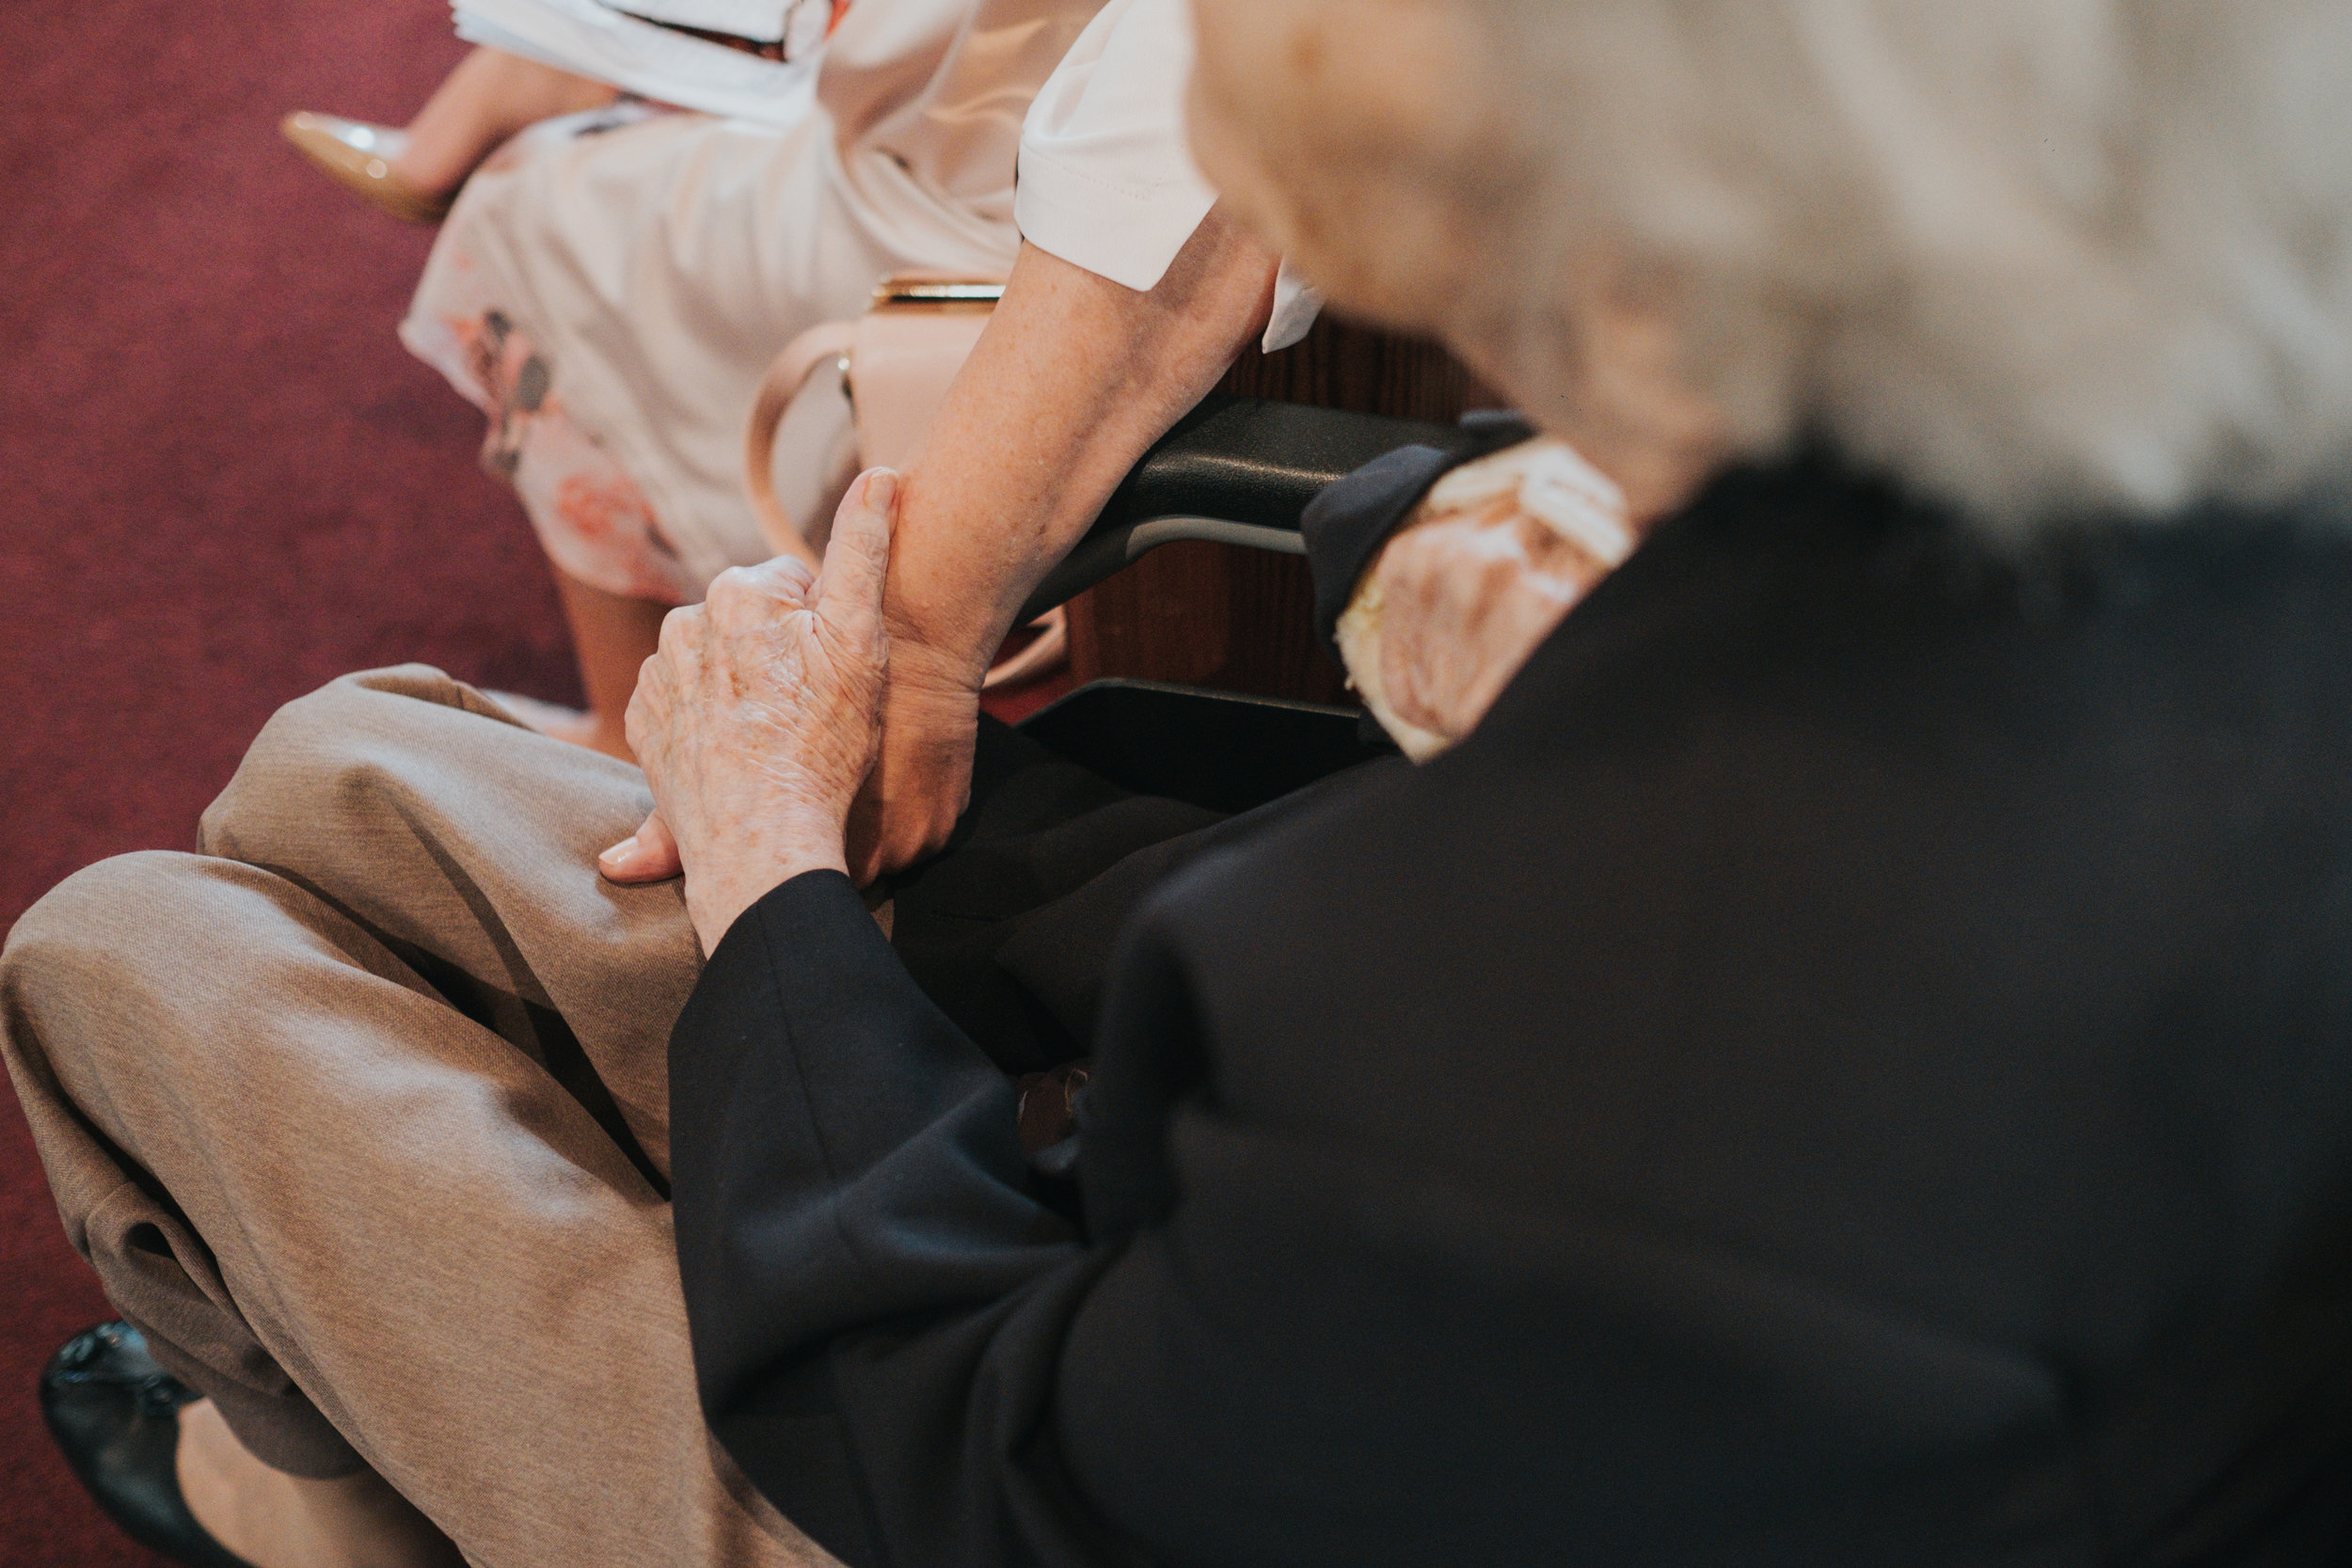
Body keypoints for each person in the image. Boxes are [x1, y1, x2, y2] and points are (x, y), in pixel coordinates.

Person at [13, 1, 2352, 1566]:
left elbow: (953, 1444)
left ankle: (305, 1493)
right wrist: (1470, 539)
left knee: (121, 953)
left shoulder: (1567, 1052)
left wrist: (767, 905)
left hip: (1000, 1450)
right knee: (354, 778)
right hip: (1437, 1311)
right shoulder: (2211, 451)